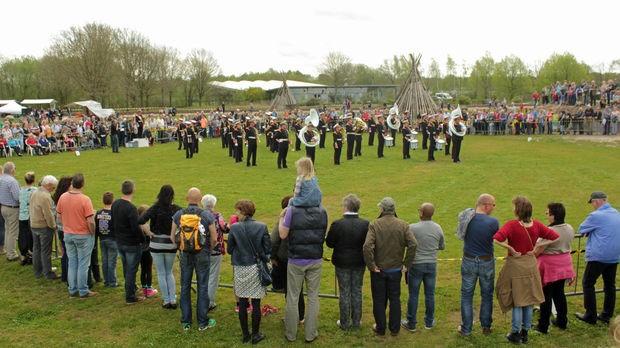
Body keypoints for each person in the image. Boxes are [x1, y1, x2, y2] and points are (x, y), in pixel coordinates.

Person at [494, 196, 559, 344]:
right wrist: (537, 247)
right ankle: (525, 332)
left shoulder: (511, 225)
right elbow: (555, 237)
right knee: (528, 300)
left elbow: (496, 239)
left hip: (516, 265)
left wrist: (510, 248)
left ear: (518, 210)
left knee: (518, 300)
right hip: (530, 265)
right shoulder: (536, 225)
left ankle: (515, 333)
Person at [278, 160, 328, 343]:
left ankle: (291, 334)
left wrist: (281, 218)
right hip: (315, 257)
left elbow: (283, 235)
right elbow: (323, 232)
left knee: (292, 296)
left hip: (297, 259)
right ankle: (310, 333)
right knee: (313, 297)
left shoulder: (292, 211)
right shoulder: (323, 211)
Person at [363, 197, 417, 336]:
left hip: (379, 270)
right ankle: (394, 329)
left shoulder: (375, 224)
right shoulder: (403, 225)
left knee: (379, 299)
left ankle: (381, 328)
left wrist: (371, 265)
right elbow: (413, 244)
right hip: (395, 270)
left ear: (382, 209)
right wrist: (406, 264)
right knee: (395, 299)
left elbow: (367, 246)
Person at [171, 187, 217, 331]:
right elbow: (214, 238)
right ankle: (202, 322)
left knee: (185, 286)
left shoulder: (179, 214)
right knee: (203, 286)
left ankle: (186, 321)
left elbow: (172, 236)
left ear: (187, 199)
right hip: (202, 253)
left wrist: (180, 248)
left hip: (185, 254)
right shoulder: (206, 215)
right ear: (200, 199)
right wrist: (208, 249)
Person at [228, 199, 271, 344]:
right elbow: (267, 249)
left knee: (242, 301)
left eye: (237, 211)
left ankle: (246, 335)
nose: (236, 213)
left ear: (242, 211)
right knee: (256, 302)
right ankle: (255, 334)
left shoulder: (234, 228)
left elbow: (229, 249)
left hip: (240, 267)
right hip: (255, 267)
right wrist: (264, 259)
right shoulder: (262, 226)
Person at [457, 193, 499, 337]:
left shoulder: (466, 218)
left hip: (469, 260)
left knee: (467, 295)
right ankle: (486, 326)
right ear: (486, 205)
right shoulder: (493, 222)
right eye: (493, 205)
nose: (494, 208)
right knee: (487, 295)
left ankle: (466, 329)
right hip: (486, 261)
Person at [326, 194, 369, 330]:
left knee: (345, 292)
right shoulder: (365, 224)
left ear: (345, 207)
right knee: (356, 290)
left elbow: (329, 243)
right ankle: (356, 322)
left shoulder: (338, 224)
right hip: (358, 262)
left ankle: (345, 322)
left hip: (343, 263)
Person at [576, 191, 620, 325]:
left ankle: (590, 315)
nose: (593, 206)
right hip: (614, 255)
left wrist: (591, 231)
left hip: (599, 255)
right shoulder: (617, 213)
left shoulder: (596, 216)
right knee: (610, 285)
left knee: (588, 283)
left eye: (593, 203)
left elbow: (581, 229)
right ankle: (606, 315)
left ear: (597, 201)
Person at [401, 203, 445, 332]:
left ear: (421, 213)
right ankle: (429, 322)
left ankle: (411, 323)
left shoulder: (412, 228)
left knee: (413, 294)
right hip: (431, 264)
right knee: (430, 294)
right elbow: (442, 246)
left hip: (416, 265)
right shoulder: (438, 227)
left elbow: (405, 244)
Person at [535, 202, 576, 333]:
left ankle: (543, 326)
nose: (546, 216)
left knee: (545, 296)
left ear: (553, 216)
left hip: (550, 268)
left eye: (547, 213)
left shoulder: (549, 231)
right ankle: (562, 321)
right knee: (559, 294)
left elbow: (538, 250)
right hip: (564, 265)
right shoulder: (569, 227)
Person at [138, 185, 181, 308]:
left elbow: (140, 220)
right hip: (170, 243)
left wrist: (149, 232)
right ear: (172, 195)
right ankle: (172, 299)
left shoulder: (155, 208)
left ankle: (166, 300)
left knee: (161, 273)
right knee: (169, 272)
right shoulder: (176, 209)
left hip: (156, 243)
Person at [56, 173, 97, 298]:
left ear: (72, 183)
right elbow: (90, 221)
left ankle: (73, 289)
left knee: (72, 262)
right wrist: (92, 232)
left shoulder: (62, 197)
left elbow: (58, 216)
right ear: (82, 184)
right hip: (83, 235)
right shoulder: (85, 199)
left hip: (68, 234)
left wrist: (67, 225)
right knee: (83, 263)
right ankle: (83, 290)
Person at [270, 195, 305, 320]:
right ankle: (300, 315)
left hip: (286, 259)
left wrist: (272, 257)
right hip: (303, 257)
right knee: (298, 289)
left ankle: (293, 317)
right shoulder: (304, 218)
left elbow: (274, 240)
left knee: (290, 290)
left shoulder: (284, 220)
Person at [111, 180, 145, 304]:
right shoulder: (131, 208)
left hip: (120, 241)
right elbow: (135, 227)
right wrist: (142, 240)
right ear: (133, 190)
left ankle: (131, 288)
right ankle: (130, 296)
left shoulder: (115, 204)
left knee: (127, 268)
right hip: (131, 243)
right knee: (131, 270)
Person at [201, 194, 229, 311]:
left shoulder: (199, 215)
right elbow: (225, 228)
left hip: (201, 250)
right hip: (215, 249)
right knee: (213, 277)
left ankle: (202, 300)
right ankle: (209, 302)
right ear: (214, 204)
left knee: (203, 276)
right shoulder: (217, 216)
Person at [28, 175, 58, 279]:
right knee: (46, 250)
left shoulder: (34, 192)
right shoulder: (45, 196)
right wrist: (53, 226)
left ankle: (38, 271)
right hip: (43, 226)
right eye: (53, 187)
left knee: (36, 249)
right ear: (48, 185)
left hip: (33, 224)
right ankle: (48, 273)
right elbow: (48, 214)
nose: (53, 190)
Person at [0, 162, 21, 262]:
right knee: (12, 231)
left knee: (8, 230)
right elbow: (17, 197)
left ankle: (8, 250)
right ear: (12, 170)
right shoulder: (12, 181)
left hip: (3, 207)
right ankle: (11, 254)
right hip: (12, 208)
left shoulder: (1, 178)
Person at [52, 176, 72, 283]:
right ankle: (69, 276)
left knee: (65, 252)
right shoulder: (64, 198)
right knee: (68, 253)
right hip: (66, 228)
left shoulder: (56, 197)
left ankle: (65, 275)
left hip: (60, 228)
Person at [96, 192, 117, 288]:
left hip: (102, 239)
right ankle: (112, 282)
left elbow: (96, 226)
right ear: (113, 201)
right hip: (112, 239)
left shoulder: (99, 213)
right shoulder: (113, 214)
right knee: (112, 261)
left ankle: (106, 281)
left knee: (105, 261)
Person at [137, 205, 157, 298]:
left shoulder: (137, 224)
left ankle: (144, 288)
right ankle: (149, 289)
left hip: (140, 250)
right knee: (148, 269)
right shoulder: (145, 225)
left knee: (143, 269)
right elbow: (151, 235)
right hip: (147, 250)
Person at [18, 172, 36, 265]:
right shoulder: (35, 190)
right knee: (30, 236)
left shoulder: (20, 190)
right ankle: (31, 254)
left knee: (22, 235)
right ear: (34, 180)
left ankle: (24, 255)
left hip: (22, 216)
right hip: (30, 216)